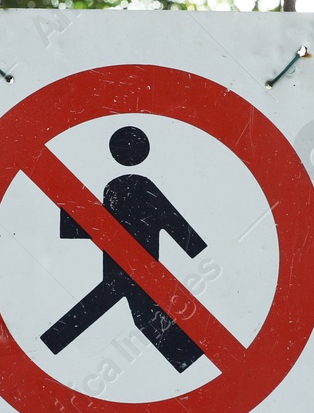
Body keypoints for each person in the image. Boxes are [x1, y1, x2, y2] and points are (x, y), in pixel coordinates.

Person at [40, 125, 207, 372]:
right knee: (138, 313)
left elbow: (94, 223)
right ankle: (190, 361)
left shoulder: (116, 187)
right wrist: (192, 246)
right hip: (138, 269)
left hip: (130, 269)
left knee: (124, 309)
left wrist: (192, 245)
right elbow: (172, 223)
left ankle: (50, 344)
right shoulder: (132, 186)